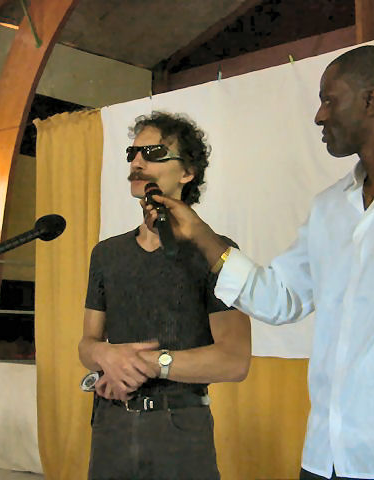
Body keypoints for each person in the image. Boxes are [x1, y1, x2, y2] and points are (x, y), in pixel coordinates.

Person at [144, 46, 374, 479]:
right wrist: (200, 234)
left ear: (371, 100)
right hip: (324, 457)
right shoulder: (329, 207)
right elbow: (280, 298)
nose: (319, 116)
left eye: (330, 100)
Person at [78, 111, 251, 480]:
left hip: (180, 428)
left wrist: (152, 363)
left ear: (187, 172)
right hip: (111, 425)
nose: (137, 163)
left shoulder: (215, 253)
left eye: (154, 153)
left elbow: (234, 361)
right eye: (133, 153)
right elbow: (87, 345)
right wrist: (105, 354)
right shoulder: (106, 254)